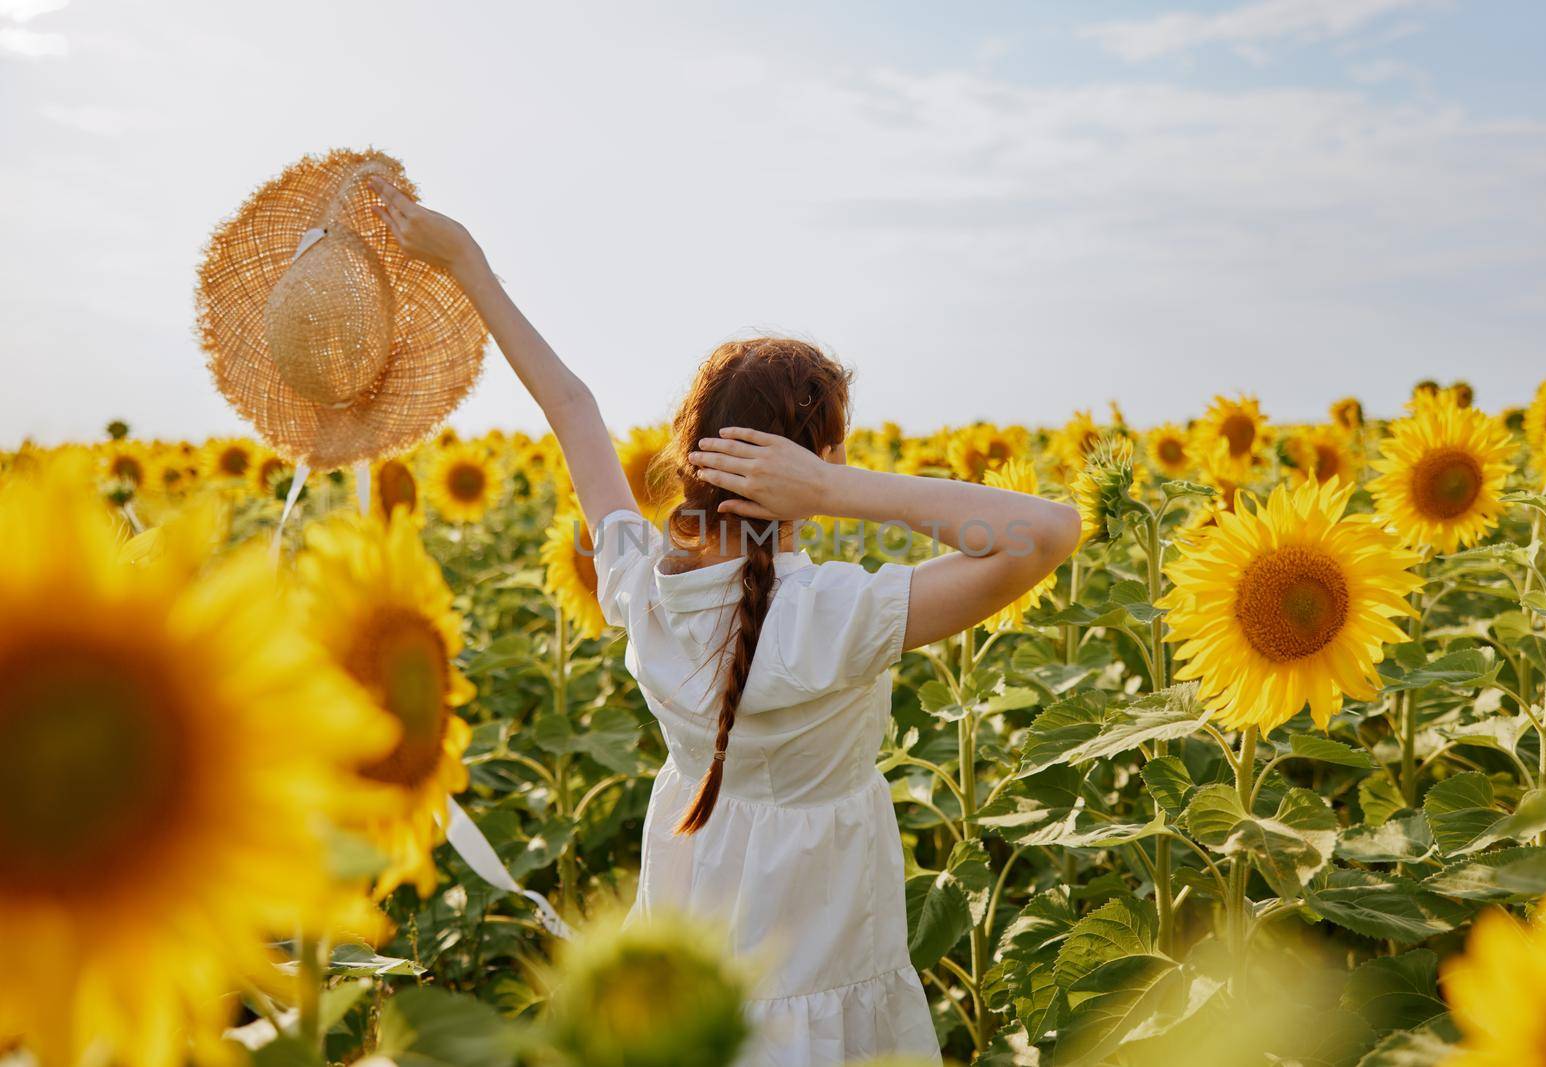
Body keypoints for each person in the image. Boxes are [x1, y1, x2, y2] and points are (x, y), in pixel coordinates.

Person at [370, 176, 1081, 1066]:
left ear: (691, 448)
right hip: (828, 967)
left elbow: (573, 408)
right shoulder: (836, 614)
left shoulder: (641, 585)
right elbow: (1049, 532)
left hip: (689, 983)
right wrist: (841, 492)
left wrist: (467, 262)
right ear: (812, 463)